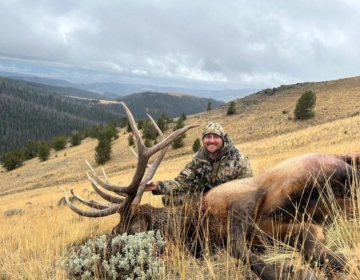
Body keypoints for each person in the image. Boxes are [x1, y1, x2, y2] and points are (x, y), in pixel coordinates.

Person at [145, 121, 253, 206]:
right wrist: (157, 186)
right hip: (205, 201)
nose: (211, 140)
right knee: (169, 200)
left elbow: (248, 192)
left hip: (230, 203)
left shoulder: (239, 160)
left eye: (216, 137)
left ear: (223, 139)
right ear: (203, 139)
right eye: (208, 137)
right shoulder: (197, 159)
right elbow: (181, 183)